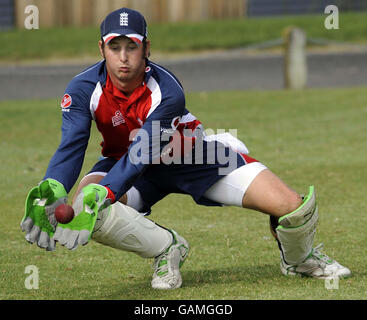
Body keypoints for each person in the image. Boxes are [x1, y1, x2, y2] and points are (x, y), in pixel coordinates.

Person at [21, 7, 351, 290]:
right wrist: (53, 187)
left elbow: (144, 151)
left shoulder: (167, 90)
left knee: (292, 207)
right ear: (102, 48)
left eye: (131, 47)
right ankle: (167, 249)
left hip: (192, 156)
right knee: (85, 203)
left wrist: (104, 193)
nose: (123, 57)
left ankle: (299, 259)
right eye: (115, 46)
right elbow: (72, 145)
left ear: (146, 47)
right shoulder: (82, 88)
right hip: (126, 163)